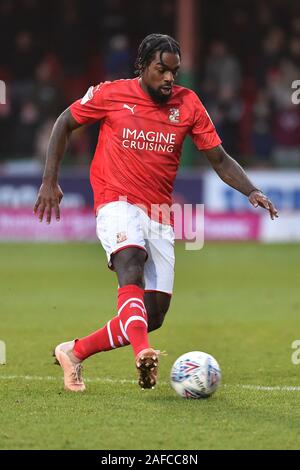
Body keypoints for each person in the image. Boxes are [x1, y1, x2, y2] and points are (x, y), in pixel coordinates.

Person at [34, 34, 278, 392]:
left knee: (154, 314)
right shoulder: (110, 94)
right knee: (130, 261)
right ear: (143, 66)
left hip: (159, 212)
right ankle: (145, 354)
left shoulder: (188, 104)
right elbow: (64, 123)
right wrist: (49, 180)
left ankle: (74, 352)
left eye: (174, 72)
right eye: (161, 70)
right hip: (115, 200)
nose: (169, 78)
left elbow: (220, 159)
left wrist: (252, 190)